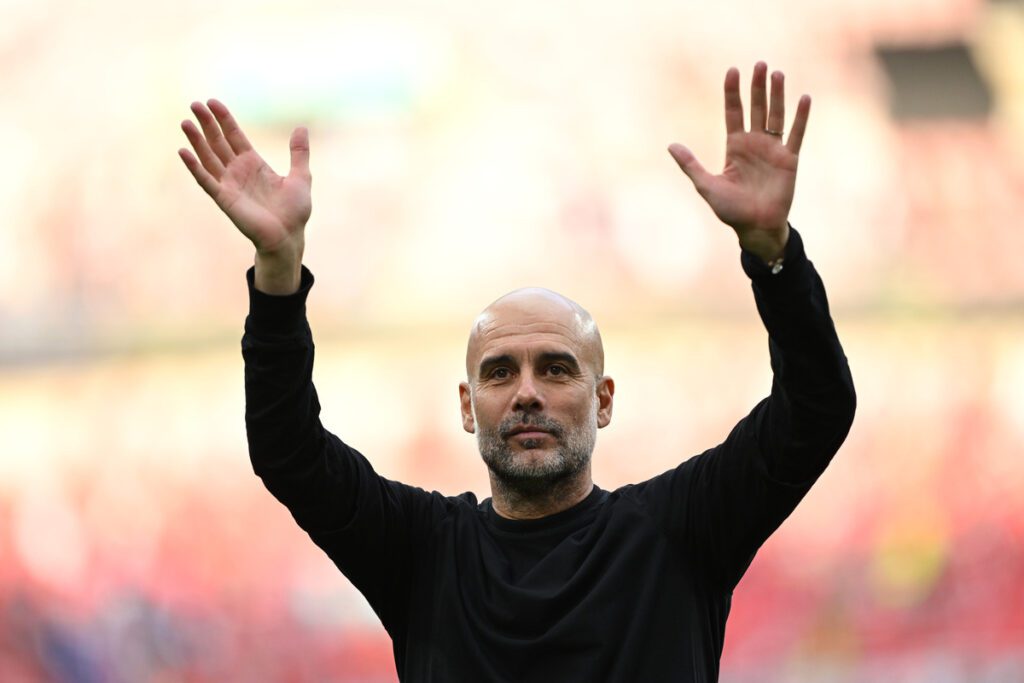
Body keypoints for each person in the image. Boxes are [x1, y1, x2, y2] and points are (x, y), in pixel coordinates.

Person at [178, 62, 856, 682]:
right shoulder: (422, 553)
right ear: (469, 406)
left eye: (556, 368)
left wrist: (774, 256)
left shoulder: (677, 531)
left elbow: (816, 409)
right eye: (500, 373)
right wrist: (277, 275)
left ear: (604, 398)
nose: (527, 391)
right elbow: (288, 451)